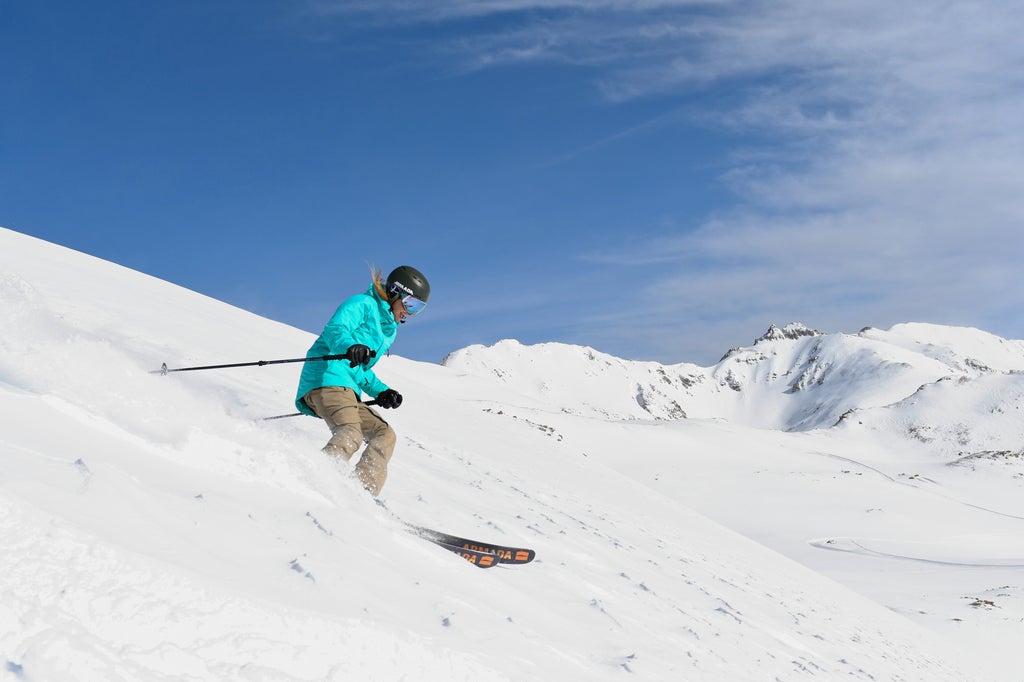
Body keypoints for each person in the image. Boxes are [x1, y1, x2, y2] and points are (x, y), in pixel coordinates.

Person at [295, 265, 430, 496]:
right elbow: (335, 328)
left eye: (418, 308)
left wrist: (382, 391)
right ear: (396, 292)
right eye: (410, 304)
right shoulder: (363, 304)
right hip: (326, 378)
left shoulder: (388, 330)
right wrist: (350, 346)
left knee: (384, 434)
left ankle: (361, 492)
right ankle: (315, 480)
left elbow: (359, 368)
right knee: (351, 432)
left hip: (347, 388)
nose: (410, 312)